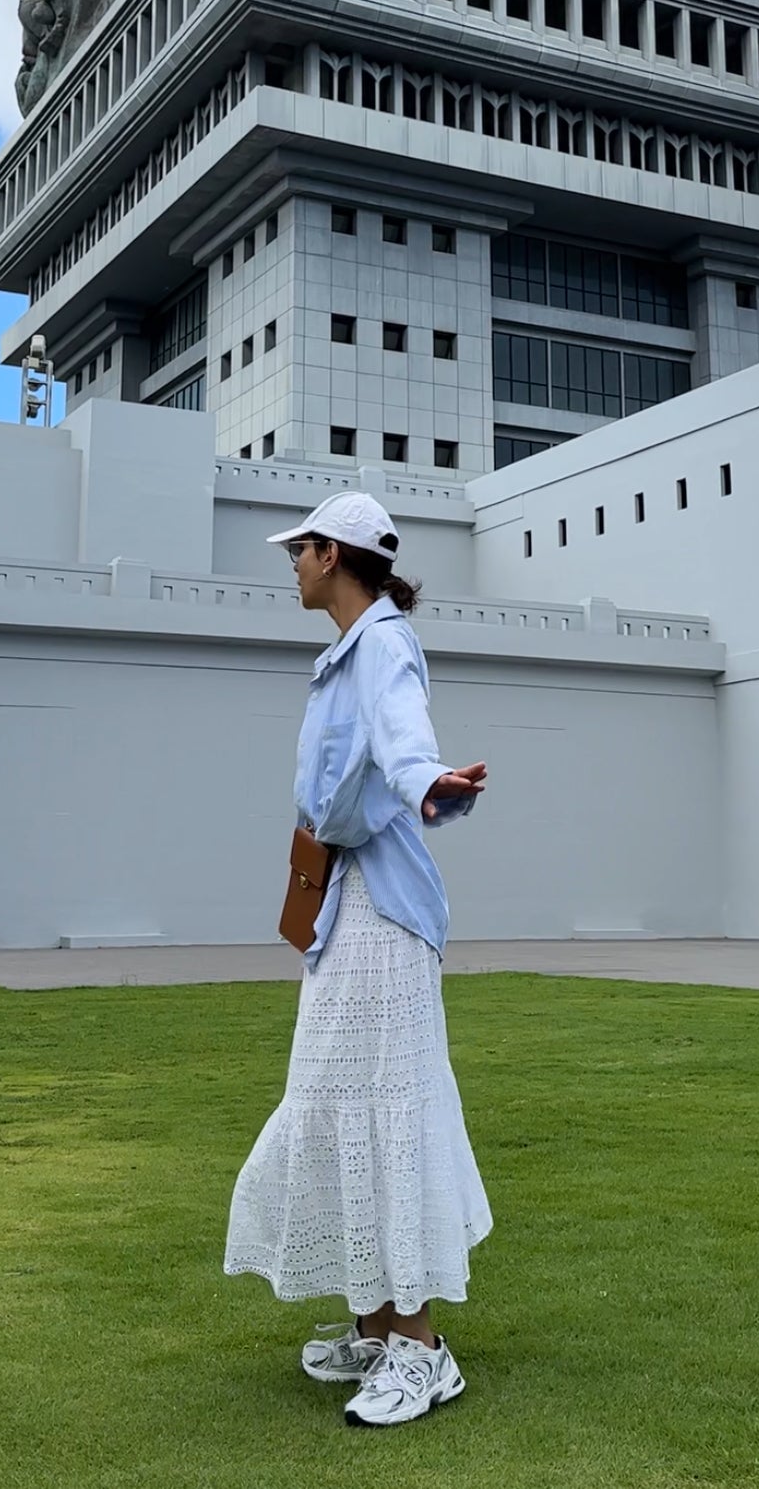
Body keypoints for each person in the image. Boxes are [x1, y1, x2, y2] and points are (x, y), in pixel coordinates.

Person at [223, 490, 493, 1427]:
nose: (290, 564)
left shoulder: (381, 645)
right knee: (338, 1102)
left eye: (299, 550)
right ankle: (378, 1327)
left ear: (333, 555)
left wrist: (431, 782)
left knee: (384, 1105)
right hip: (346, 904)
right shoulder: (345, 649)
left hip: (383, 909)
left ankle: (419, 1349)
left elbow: (403, 738)